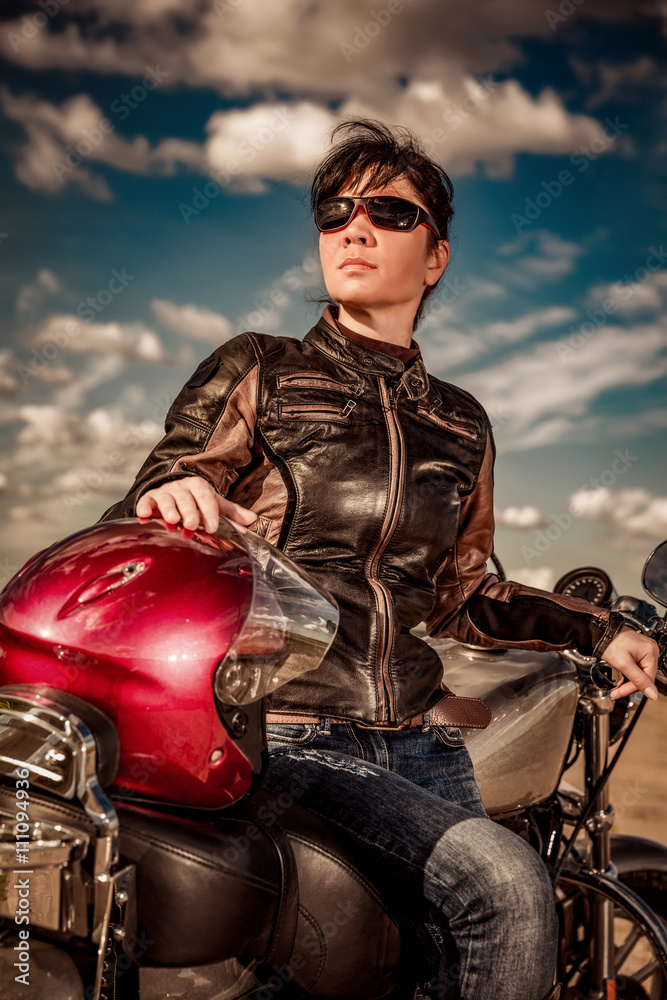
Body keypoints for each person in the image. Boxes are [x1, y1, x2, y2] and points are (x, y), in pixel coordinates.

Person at [101, 119, 658, 1000]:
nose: (352, 227)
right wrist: (166, 498)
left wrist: (600, 630)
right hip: (282, 730)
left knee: (409, 964)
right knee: (506, 890)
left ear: (434, 258)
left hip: (421, 739)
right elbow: (165, 488)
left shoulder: (461, 421)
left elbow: (462, 592)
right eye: (334, 210)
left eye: (387, 212)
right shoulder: (262, 369)